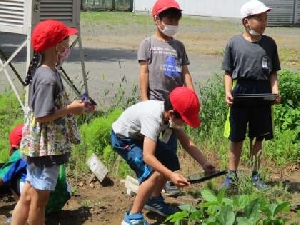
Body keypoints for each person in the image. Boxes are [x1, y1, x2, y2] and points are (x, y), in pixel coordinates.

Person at [11, 20, 95, 225]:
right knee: (39, 203)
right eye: (66, 39)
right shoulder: (48, 77)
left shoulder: (44, 71)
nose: (69, 44)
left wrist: (78, 107)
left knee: (27, 196)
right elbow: (42, 114)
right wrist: (70, 109)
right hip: (46, 150)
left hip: (37, 148)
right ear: (58, 46)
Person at [111, 87, 215, 225]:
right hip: (123, 138)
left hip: (141, 136)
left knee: (169, 159)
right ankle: (132, 218)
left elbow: (187, 143)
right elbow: (148, 157)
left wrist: (204, 163)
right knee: (152, 174)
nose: (184, 124)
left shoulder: (169, 115)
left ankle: (154, 200)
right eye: (183, 120)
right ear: (171, 114)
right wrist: (171, 175)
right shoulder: (152, 117)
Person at [221, 0, 281, 190]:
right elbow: (228, 72)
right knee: (236, 137)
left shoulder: (269, 43)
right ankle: (232, 176)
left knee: (258, 137)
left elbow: (273, 73)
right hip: (241, 93)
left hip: (262, 93)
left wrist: (275, 91)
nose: (264, 23)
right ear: (246, 21)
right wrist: (228, 92)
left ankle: (255, 175)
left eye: (265, 18)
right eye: (259, 19)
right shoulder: (234, 43)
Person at [138, 0, 195, 197]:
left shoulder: (179, 46)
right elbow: (144, 72)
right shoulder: (148, 44)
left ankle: (169, 180)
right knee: (153, 145)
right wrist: (144, 99)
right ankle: (151, 182)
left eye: (176, 20)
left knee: (171, 145)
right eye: (169, 19)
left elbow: (185, 71)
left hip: (176, 105)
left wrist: (191, 94)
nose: (173, 23)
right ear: (157, 20)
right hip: (155, 104)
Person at [0, 125, 71, 224]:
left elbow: (1, 179)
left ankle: (27, 214)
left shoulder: (21, 152)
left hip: (41, 202)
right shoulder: (52, 147)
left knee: (11, 178)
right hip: (61, 198)